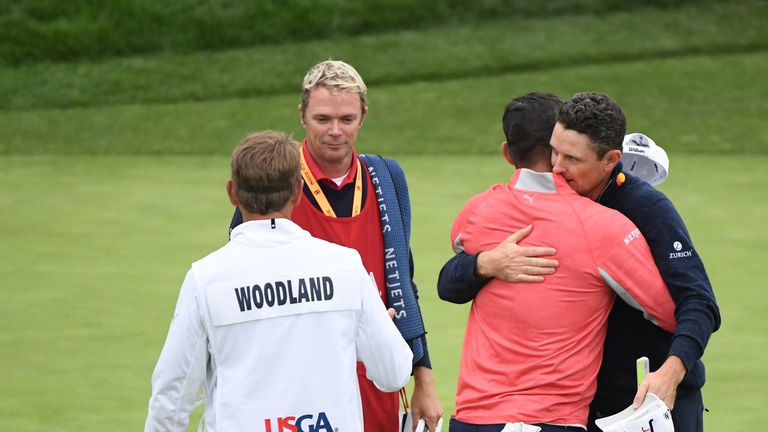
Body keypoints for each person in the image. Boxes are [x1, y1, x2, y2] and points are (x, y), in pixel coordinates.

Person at [439, 92, 721, 432]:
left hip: (655, 400)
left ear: (610, 160)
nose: (556, 168)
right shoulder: (548, 206)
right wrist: (484, 263)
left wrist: (672, 372)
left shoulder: (647, 209)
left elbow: (698, 303)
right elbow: (449, 282)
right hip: (588, 410)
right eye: (554, 151)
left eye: (571, 158)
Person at [145, 130, 413, 432]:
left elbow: (172, 398)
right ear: (298, 192)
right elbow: (393, 373)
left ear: (233, 193)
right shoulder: (345, 266)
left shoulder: (206, 277)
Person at [229, 60, 443, 431]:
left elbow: (402, 284)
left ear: (363, 116)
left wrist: (423, 377)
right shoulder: (276, 178)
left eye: (346, 119)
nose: (335, 131)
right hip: (298, 379)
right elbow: (245, 280)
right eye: (322, 119)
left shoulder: (386, 176)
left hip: (378, 371)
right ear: (302, 116)